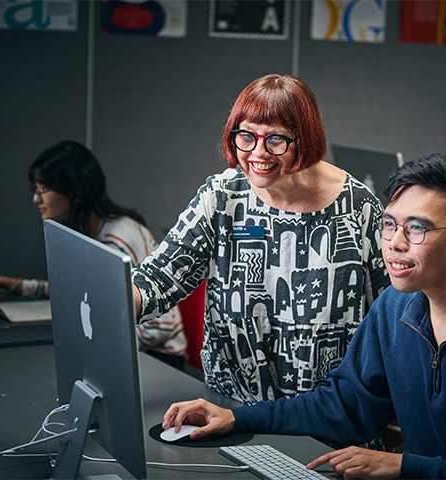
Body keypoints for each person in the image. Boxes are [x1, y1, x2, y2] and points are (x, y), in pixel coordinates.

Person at [161, 153, 446, 479]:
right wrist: (236, 417)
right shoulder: (394, 309)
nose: (395, 243)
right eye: (389, 225)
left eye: (417, 229)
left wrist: (400, 467)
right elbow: (345, 407)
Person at [131, 74, 390, 406]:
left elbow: (393, 317)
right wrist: (117, 301)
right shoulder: (222, 197)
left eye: (276, 140)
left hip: (324, 420)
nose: (258, 152)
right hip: (231, 409)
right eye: (247, 136)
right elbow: (159, 277)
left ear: (304, 139)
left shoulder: (358, 208)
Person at [0, 140, 187, 369]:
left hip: (159, 359)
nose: (36, 198)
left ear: (75, 192)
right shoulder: (85, 233)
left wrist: (97, 349)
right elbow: (74, 294)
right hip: (123, 351)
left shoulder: (121, 236)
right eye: (36, 189)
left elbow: (160, 327)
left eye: (44, 189)